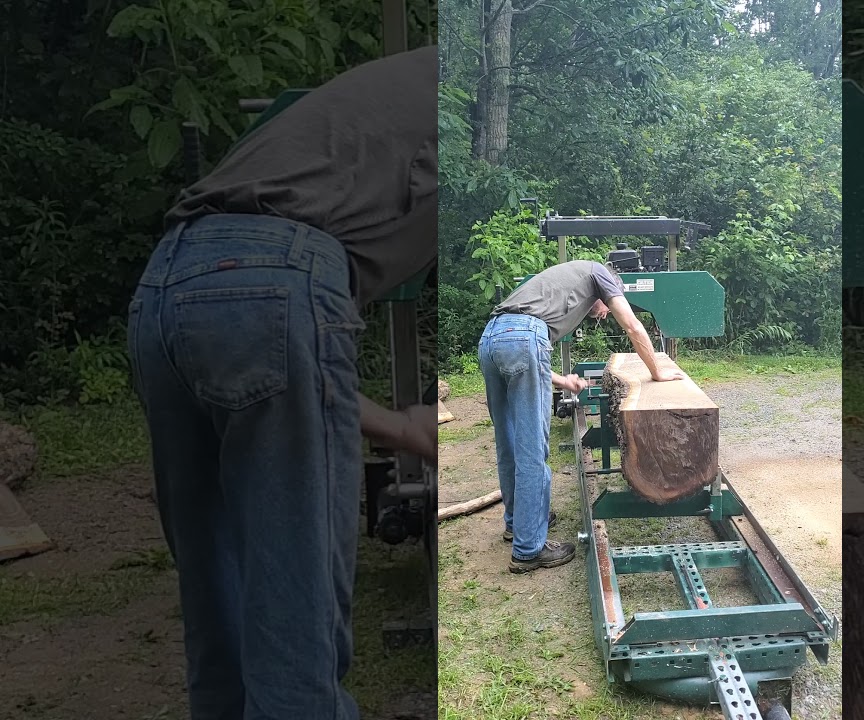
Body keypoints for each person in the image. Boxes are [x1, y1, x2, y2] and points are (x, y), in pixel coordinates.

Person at [125, 46, 438, 720]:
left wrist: (400, 426)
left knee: (224, 611)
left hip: (163, 287)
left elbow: (270, 345)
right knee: (295, 626)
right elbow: (276, 309)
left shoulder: (414, 86)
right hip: (280, 279)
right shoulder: (484, 103)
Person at [479, 259, 684, 573]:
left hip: (490, 339)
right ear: (609, 289)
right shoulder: (600, 272)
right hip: (522, 339)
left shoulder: (559, 287)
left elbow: (518, 347)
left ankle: (517, 523)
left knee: (508, 444)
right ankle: (528, 549)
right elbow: (632, 326)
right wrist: (657, 371)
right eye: (606, 306)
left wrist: (563, 381)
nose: (604, 314)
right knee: (532, 448)